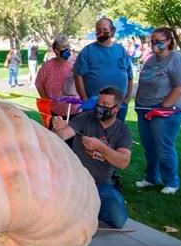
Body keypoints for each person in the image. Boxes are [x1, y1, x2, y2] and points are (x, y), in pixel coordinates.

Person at [52, 86, 132, 229]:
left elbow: (123, 162)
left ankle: (87, 207)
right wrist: (58, 127)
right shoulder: (85, 118)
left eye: (106, 105)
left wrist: (100, 147)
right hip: (75, 180)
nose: (100, 107)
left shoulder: (123, 130)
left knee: (118, 220)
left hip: (100, 183)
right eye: (99, 103)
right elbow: (63, 136)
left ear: (116, 109)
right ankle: (81, 206)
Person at [134, 27, 181, 195]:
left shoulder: (177, 59)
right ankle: (152, 178)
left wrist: (164, 106)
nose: (155, 44)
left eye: (159, 41)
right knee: (149, 146)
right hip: (144, 109)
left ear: (169, 41)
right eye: (153, 41)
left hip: (165, 112)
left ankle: (172, 182)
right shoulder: (150, 60)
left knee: (164, 147)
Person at [74, 17, 133, 121]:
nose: (101, 32)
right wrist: (85, 99)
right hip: (95, 105)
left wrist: (127, 99)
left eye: (105, 30)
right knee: (93, 134)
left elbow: (130, 76)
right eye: (98, 30)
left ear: (112, 31)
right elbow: (78, 75)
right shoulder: (87, 51)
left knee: (116, 133)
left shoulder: (121, 50)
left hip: (119, 105)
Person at [35, 35, 80, 126]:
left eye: (68, 46)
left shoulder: (75, 62)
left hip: (74, 109)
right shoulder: (47, 66)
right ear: (56, 50)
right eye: (64, 47)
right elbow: (39, 84)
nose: (67, 49)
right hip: (55, 110)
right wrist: (46, 101)